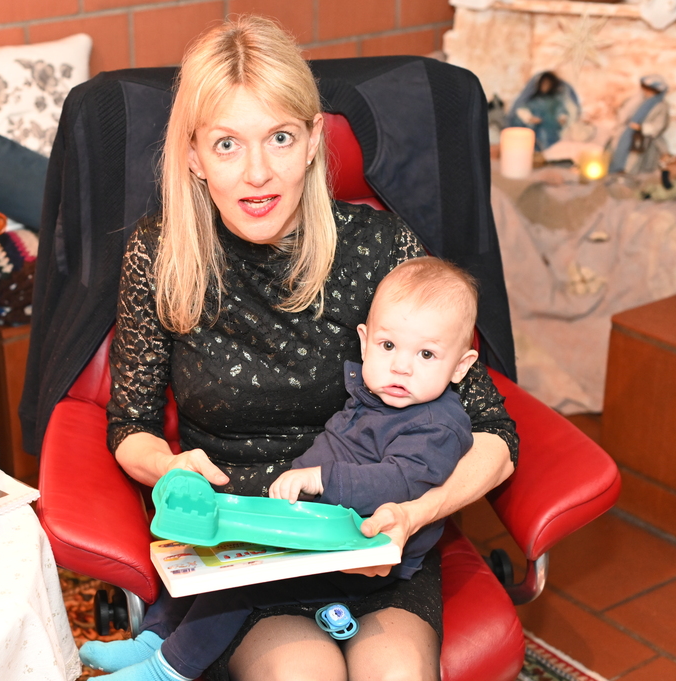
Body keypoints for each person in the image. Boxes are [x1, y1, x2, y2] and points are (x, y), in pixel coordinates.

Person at [95, 15, 518, 681]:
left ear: (314, 140)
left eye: (280, 138)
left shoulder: (380, 247)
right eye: (227, 144)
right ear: (195, 156)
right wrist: (168, 467)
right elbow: (130, 425)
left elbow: (493, 429)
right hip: (245, 544)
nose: (258, 173)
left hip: (377, 532)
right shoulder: (160, 254)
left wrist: (416, 513)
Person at [80, 257, 480, 681]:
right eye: (388, 346)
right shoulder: (376, 395)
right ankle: (155, 637)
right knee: (218, 551)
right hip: (318, 525)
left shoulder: (436, 426)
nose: (402, 366)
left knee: (242, 583)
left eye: (426, 354)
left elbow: (400, 481)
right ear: (364, 343)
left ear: (460, 366)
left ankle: (165, 670)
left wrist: (320, 478)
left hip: (365, 556)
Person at [608, 74, 670, 174]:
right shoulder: (638, 99)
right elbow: (624, 113)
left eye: (649, 90)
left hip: (641, 138)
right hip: (626, 133)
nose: (646, 92)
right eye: (645, 89)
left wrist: (641, 127)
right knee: (617, 153)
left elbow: (659, 125)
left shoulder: (661, 106)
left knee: (633, 162)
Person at [508, 71, 579, 151]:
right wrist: (529, 118)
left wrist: (562, 117)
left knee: (553, 145)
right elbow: (522, 109)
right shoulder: (534, 100)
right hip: (537, 128)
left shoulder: (554, 100)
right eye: (544, 84)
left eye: (548, 84)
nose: (545, 86)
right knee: (536, 142)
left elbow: (561, 109)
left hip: (552, 127)